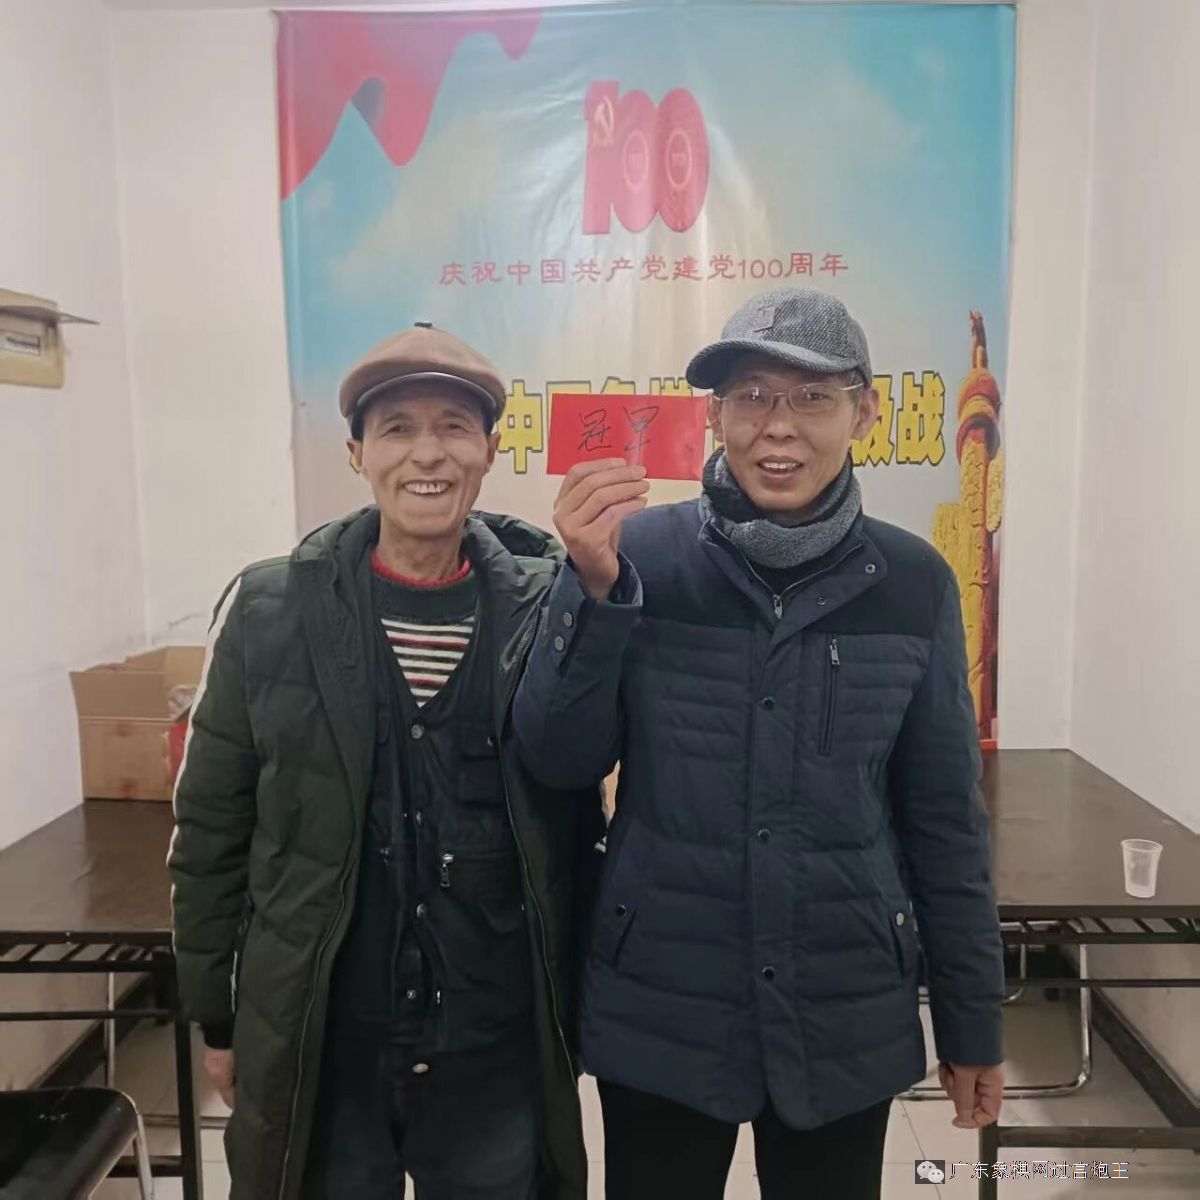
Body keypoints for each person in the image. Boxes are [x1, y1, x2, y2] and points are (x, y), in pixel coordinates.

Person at [513, 289, 1005, 1200]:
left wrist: (973, 1020)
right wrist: (590, 591)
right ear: (716, 417)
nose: (779, 427)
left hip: (844, 1001)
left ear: (865, 412)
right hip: (665, 997)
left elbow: (944, 821)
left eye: (812, 397)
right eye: (751, 397)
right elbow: (560, 758)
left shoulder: (912, 583)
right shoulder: (636, 556)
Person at [169, 321, 603, 1200]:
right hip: (325, 1039)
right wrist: (217, 1013)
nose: (426, 454)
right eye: (397, 428)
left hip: (493, 1045)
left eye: (454, 427)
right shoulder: (269, 610)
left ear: (489, 451)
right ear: (356, 453)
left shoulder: (550, 608)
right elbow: (212, 825)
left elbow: (578, 828)